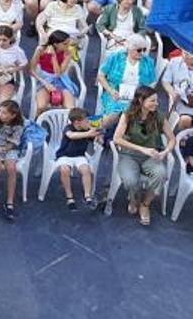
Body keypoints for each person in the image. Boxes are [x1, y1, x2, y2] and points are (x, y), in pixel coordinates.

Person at [112, 86, 175, 226]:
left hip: (151, 156)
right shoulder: (128, 114)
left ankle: (145, 204)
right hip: (129, 155)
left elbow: (172, 139)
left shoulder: (159, 116)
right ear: (141, 100)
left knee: (161, 174)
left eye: (157, 100)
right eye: (152, 101)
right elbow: (117, 138)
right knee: (130, 180)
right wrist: (142, 149)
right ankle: (134, 199)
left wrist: (164, 152)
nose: (156, 103)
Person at [53, 106, 100, 210]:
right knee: (64, 170)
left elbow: (95, 140)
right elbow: (71, 136)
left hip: (79, 155)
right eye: (86, 121)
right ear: (77, 122)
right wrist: (87, 133)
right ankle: (69, 196)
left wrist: (97, 137)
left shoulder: (87, 129)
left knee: (86, 170)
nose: (88, 123)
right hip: (64, 155)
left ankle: (88, 196)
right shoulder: (68, 128)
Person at [0, 101, 25, 220]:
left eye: (5, 113)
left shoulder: (19, 124)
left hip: (8, 148)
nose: (1, 114)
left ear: (13, 115)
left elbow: (13, 143)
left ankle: (10, 202)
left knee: (12, 169)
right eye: (1, 111)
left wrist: (3, 150)